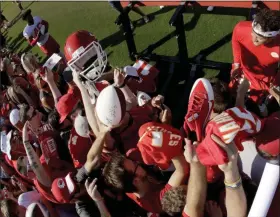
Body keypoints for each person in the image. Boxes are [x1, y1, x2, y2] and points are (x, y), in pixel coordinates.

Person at [230, 8, 280, 116]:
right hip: (244, 72)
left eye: (259, 38)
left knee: (260, 111)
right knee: (230, 97)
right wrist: (236, 65)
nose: (254, 39)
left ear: (271, 38)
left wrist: (274, 85)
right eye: (253, 33)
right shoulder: (241, 28)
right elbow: (236, 41)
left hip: (266, 79)